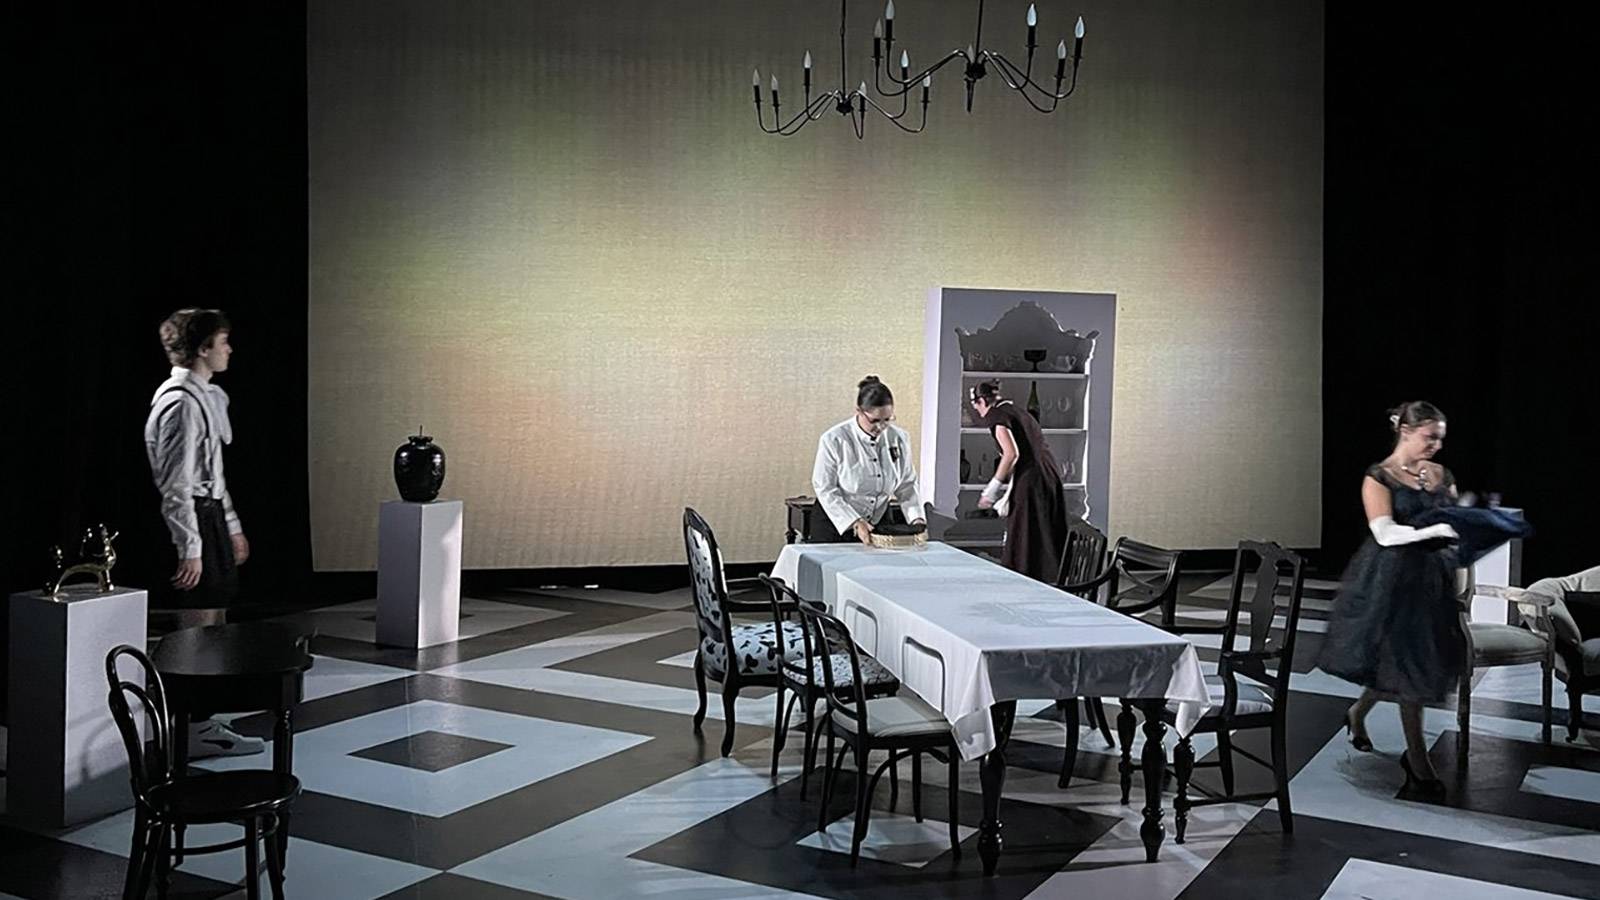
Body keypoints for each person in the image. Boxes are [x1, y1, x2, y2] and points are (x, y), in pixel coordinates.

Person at [1317, 401, 1530, 795]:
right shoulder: (1379, 477)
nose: (1436, 445)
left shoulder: (1440, 474)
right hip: (1391, 580)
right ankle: (1418, 762)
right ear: (1406, 431)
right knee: (1406, 665)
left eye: (1440, 439)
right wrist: (1432, 533)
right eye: (1430, 437)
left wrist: (1474, 523)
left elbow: (1451, 520)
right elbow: (1384, 533)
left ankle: (1357, 712)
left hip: (1431, 579)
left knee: (1403, 663)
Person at [143, 308, 263, 757]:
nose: (229, 349)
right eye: (222, 341)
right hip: (190, 517)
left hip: (207, 514)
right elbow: (176, 482)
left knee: (214, 616)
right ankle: (187, 725)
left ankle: (201, 718)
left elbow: (213, 473)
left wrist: (231, 526)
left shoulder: (206, 397)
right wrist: (190, 546)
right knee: (196, 620)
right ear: (202, 348)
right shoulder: (181, 403)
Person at [970, 380, 1068, 582]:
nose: (976, 410)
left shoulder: (997, 416)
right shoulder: (1017, 411)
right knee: (1044, 530)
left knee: (1024, 531)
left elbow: (1011, 454)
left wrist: (991, 490)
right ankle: (1051, 580)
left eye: (975, 404)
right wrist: (1007, 494)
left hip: (1031, 479)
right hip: (1049, 474)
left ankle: (1023, 581)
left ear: (982, 401)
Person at [811, 376, 925, 543]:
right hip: (835, 524)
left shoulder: (899, 438)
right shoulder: (834, 439)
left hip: (878, 522)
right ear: (858, 411)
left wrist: (916, 519)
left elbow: (907, 484)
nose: (881, 427)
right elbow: (825, 488)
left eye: (887, 420)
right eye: (874, 421)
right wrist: (855, 522)